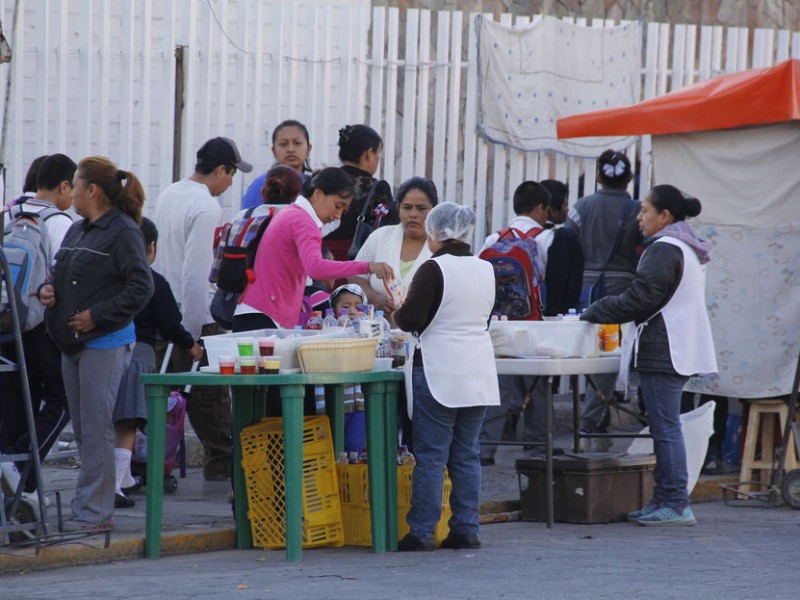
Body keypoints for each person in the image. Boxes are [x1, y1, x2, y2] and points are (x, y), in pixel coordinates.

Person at [581, 184, 717, 526]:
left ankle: (673, 501)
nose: (640, 218)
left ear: (665, 215)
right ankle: (665, 499)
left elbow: (640, 298)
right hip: (674, 344)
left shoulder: (665, 249)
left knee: (665, 427)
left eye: (645, 211)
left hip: (665, 346)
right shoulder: (684, 246)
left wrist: (595, 309)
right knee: (666, 426)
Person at [39, 156, 154, 532]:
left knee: (97, 425)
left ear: (92, 190)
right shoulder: (79, 229)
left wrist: (97, 315)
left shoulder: (123, 231)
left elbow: (141, 286)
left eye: (76, 184)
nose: (70, 192)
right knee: (86, 428)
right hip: (71, 343)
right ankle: (87, 505)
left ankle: (95, 512)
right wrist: (49, 290)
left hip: (105, 341)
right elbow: (61, 271)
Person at [394, 202, 500, 551]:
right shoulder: (486, 268)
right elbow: (482, 320)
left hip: (439, 367)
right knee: (467, 453)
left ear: (434, 232)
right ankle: (466, 529)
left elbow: (410, 320)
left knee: (432, 455)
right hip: (478, 369)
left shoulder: (432, 269)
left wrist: (397, 307)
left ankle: (422, 531)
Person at [154, 136, 252, 481]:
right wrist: (191, 333)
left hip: (163, 310)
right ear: (222, 170)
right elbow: (195, 275)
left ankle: (156, 466)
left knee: (162, 399)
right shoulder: (207, 207)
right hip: (194, 316)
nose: (230, 182)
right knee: (209, 398)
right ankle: (221, 467)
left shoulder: (169, 193)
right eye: (232, 174)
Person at [112, 218, 203, 508]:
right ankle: (115, 485)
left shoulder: (108, 279)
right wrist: (192, 347)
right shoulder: (153, 281)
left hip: (101, 352)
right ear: (151, 248)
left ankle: (123, 478)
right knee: (127, 421)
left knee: (105, 420)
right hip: (138, 353)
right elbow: (170, 325)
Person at [0, 154, 76, 494]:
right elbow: (64, 280)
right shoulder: (57, 221)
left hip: (6, 320)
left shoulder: (10, 212)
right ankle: (19, 468)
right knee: (63, 400)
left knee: (18, 403)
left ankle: (16, 488)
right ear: (63, 186)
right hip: (36, 327)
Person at [236, 167, 393, 331]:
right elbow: (316, 268)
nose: (338, 216)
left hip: (258, 311)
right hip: (264, 315)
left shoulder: (292, 213)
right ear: (318, 194)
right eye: (338, 206)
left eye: (343, 209)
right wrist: (367, 266)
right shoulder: (303, 221)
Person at [478, 182, 568, 465]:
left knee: (500, 382)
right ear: (541, 208)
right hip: (534, 324)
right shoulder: (548, 239)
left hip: (499, 324)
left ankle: (486, 447)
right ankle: (538, 443)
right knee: (538, 383)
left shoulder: (494, 239)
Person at [565, 150, 642, 449]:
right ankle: (591, 422)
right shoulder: (638, 209)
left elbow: (569, 245)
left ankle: (594, 421)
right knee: (611, 356)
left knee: (590, 354)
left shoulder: (580, 207)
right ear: (630, 178)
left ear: (598, 176)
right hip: (624, 291)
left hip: (587, 290)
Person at [349, 176, 437, 319]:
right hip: (378, 329)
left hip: (425, 334)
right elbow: (355, 275)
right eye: (407, 208)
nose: (413, 214)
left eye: (421, 208)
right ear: (398, 208)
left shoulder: (440, 245)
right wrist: (374, 298)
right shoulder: (380, 237)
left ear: (434, 210)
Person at [322, 124, 398, 262]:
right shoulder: (378, 189)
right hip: (356, 263)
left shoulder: (323, 179)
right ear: (369, 153)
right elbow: (389, 229)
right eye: (377, 153)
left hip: (318, 260)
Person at [312, 283, 369, 454]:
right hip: (331, 402)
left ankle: (350, 478)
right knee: (331, 447)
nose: (351, 311)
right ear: (334, 309)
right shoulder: (326, 332)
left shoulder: (367, 330)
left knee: (354, 446)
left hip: (359, 402)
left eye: (357, 307)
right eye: (345, 306)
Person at [241, 119, 313, 210]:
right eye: (283, 144)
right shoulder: (261, 185)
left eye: (297, 143)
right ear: (274, 151)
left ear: (309, 149)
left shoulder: (315, 185)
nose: (290, 149)